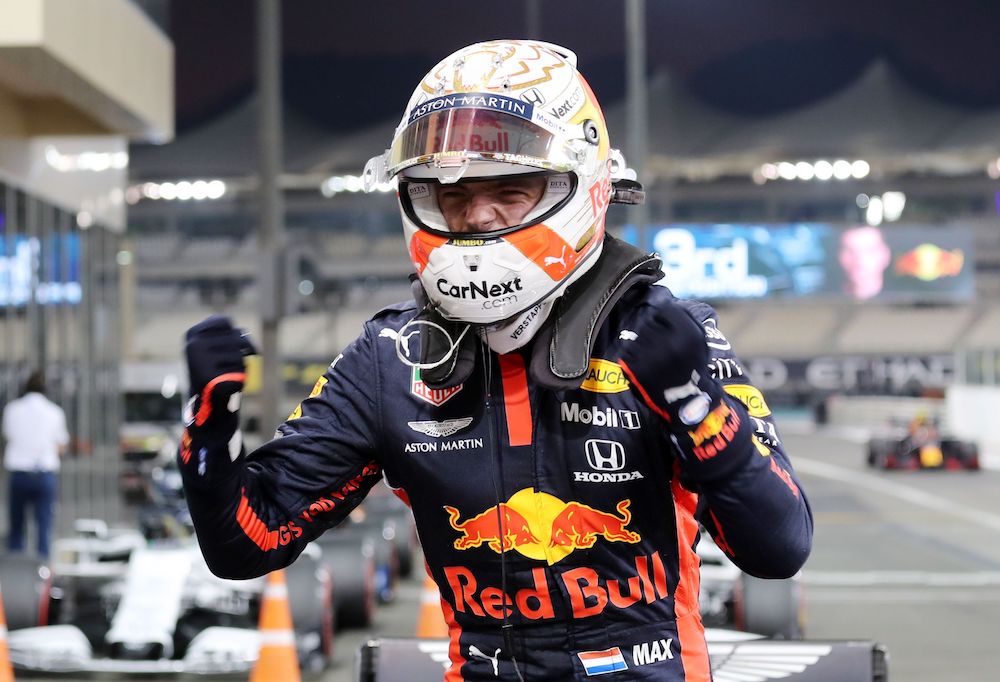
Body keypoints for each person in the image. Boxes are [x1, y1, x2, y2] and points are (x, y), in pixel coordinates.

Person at [179, 40, 812, 681]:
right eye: (452, 196)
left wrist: (696, 411)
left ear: (584, 187)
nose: (477, 218)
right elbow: (243, 545)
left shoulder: (667, 336)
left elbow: (779, 547)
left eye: (509, 189)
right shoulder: (388, 359)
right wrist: (209, 435)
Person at [2, 370, 69, 558]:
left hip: (19, 473)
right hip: (43, 474)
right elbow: (61, 445)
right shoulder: (54, 412)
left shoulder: (12, 409)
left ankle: (15, 573)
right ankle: (42, 573)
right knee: (44, 526)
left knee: (16, 527)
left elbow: (9, 435)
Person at [838, 224, 892, 300]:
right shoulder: (825, 298)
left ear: (885, 255)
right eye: (850, 251)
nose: (858, 258)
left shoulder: (902, 298)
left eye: (868, 250)